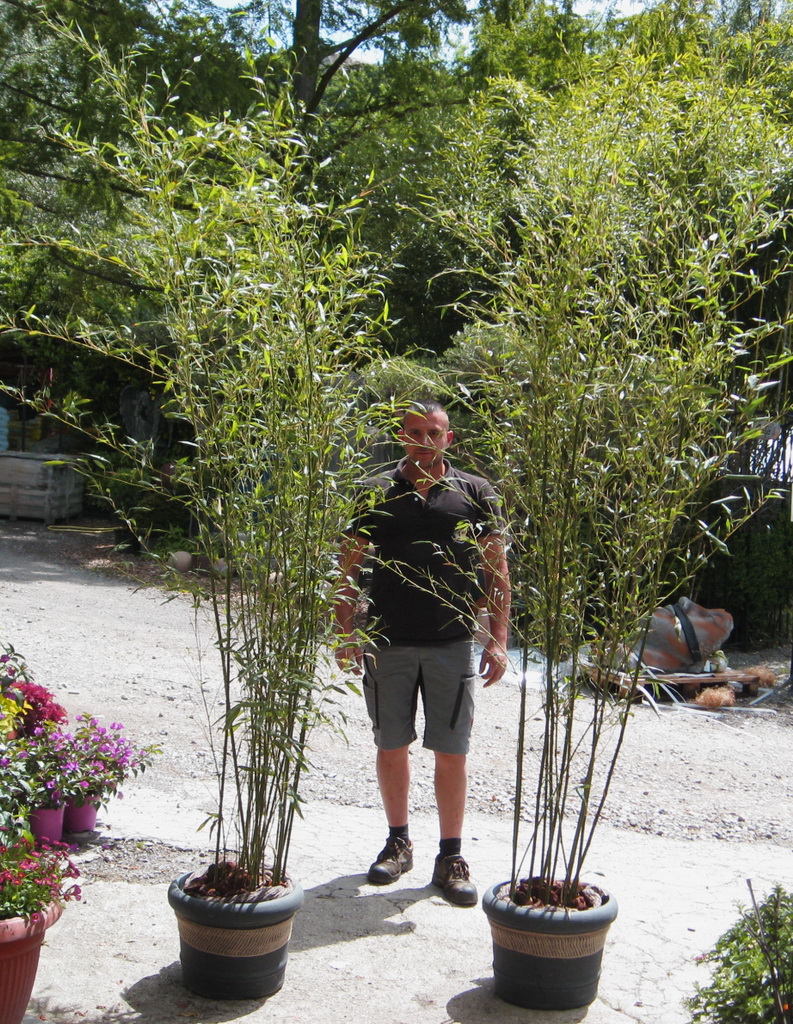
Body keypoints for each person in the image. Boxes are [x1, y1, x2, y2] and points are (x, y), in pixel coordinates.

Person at [334, 399, 511, 907]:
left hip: (452, 642)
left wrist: (497, 636)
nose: (424, 440)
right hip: (386, 639)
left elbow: (497, 571)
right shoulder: (374, 492)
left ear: (448, 438)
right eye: (414, 432)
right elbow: (347, 569)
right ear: (402, 436)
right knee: (391, 744)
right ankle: (398, 842)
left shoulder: (475, 493)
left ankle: (450, 856)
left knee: (452, 751)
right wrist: (346, 633)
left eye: (434, 432)